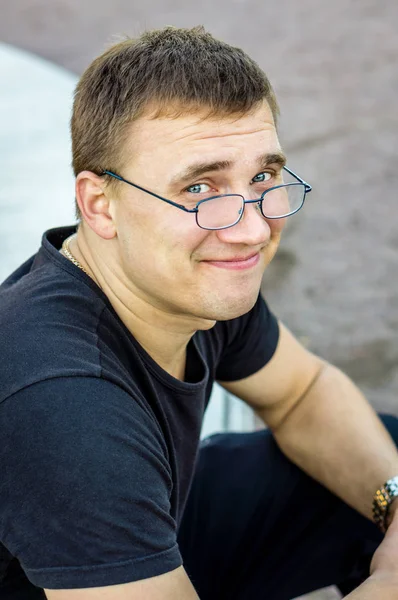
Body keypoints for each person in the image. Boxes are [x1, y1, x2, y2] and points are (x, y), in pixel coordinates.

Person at [0, 26, 397, 600]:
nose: (253, 230)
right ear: (99, 205)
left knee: (373, 463)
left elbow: (302, 392)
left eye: (262, 177)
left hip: (157, 520)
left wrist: (393, 506)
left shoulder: (185, 278)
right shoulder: (63, 400)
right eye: (200, 189)